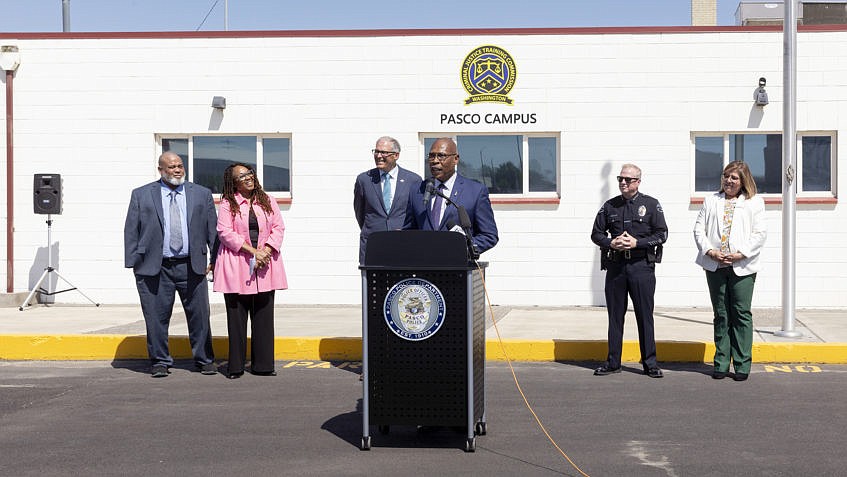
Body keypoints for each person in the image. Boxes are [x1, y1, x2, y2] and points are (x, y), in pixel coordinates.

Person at [124, 151, 218, 378]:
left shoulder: (201, 194)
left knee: (200, 315)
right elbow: (131, 229)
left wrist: (215, 260)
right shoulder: (142, 194)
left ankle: (204, 359)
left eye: (180, 165)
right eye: (171, 167)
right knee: (156, 317)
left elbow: (212, 230)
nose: (177, 170)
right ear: (160, 170)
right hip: (155, 267)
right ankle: (159, 361)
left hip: (191, 265)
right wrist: (134, 262)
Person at [591, 163, 668, 378]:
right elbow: (596, 234)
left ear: (638, 182)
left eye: (628, 179)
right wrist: (610, 242)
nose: (623, 182)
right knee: (615, 316)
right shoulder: (610, 206)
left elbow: (662, 234)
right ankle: (613, 362)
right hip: (616, 267)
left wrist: (637, 243)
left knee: (645, 316)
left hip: (641, 267)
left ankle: (650, 363)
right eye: (620, 179)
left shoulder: (651, 205)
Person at [213, 163, 288, 379]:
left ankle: (263, 365)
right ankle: (235, 367)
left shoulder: (267, 200)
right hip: (237, 264)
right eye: (241, 176)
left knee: (264, 316)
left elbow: (278, 227)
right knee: (236, 318)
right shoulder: (228, 203)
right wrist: (253, 251)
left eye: (249, 173)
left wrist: (266, 250)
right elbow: (224, 232)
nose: (248, 178)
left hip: (266, 264)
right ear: (233, 182)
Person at [693, 161, 766, 382]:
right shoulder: (711, 201)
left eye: (734, 177)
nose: (728, 181)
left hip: (742, 266)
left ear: (743, 180)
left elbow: (760, 234)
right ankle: (722, 362)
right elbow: (698, 229)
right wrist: (710, 251)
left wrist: (741, 253)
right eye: (726, 176)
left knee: (741, 313)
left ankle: (742, 364)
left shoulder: (754, 202)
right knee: (721, 314)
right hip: (715, 265)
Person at [404, 137, 499, 254]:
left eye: (441, 156)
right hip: (424, 267)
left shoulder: (475, 191)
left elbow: (489, 235)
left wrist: (462, 249)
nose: (435, 161)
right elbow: (408, 232)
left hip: (458, 267)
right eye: (431, 156)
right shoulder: (417, 190)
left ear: (455, 159)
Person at [353, 136, 422, 265]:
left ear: (396, 155)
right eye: (376, 151)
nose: (379, 156)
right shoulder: (364, 180)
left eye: (383, 152)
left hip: (403, 245)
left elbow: (417, 214)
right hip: (372, 245)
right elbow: (360, 213)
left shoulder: (413, 180)